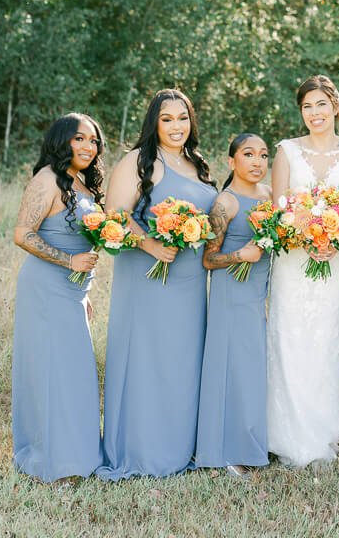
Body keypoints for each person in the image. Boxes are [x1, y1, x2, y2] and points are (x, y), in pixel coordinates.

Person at [97, 89, 217, 480]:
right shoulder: (139, 161)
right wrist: (150, 243)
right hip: (147, 275)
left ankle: (181, 447)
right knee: (147, 359)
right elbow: (114, 215)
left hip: (189, 279)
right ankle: (142, 450)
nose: (177, 126)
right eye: (167, 119)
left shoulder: (197, 163)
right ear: (155, 123)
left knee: (182, 361)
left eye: (183, 118)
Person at [266, 74, 339, 467]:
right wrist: (306, 237)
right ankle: (286, 431)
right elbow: (279, 208)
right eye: (307, 106)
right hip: (293, 258)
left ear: (336, 106)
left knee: (327, 339)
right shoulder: (286, 152)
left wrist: (333, 237)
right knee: (290, 337)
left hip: (337, 258)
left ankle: (325, 427)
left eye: (321, 104)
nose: (315, 113)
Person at [12, 113, 105, 481]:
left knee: (76, 373)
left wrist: (85, 290)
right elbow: (23, 234)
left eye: (94, 141)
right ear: (61, 140)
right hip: (47, 287)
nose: (88, 147)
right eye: (79, 139)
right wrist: (69, 260)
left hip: (73, 291)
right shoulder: (47, 178)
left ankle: (76, 453)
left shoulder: (81, 183)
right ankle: (55, 460)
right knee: (55, 372)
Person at [195, 133, 272, 479]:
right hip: (232, 292)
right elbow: (208, 260)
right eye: (248, 154)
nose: (257, 162)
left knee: (252, 369)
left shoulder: (270, 196)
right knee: (234, 368)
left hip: (258, 292)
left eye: (263, 155)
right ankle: (225, 449)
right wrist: (242, 254)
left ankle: (250, 441)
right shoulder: (225, 202)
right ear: (231, 161)